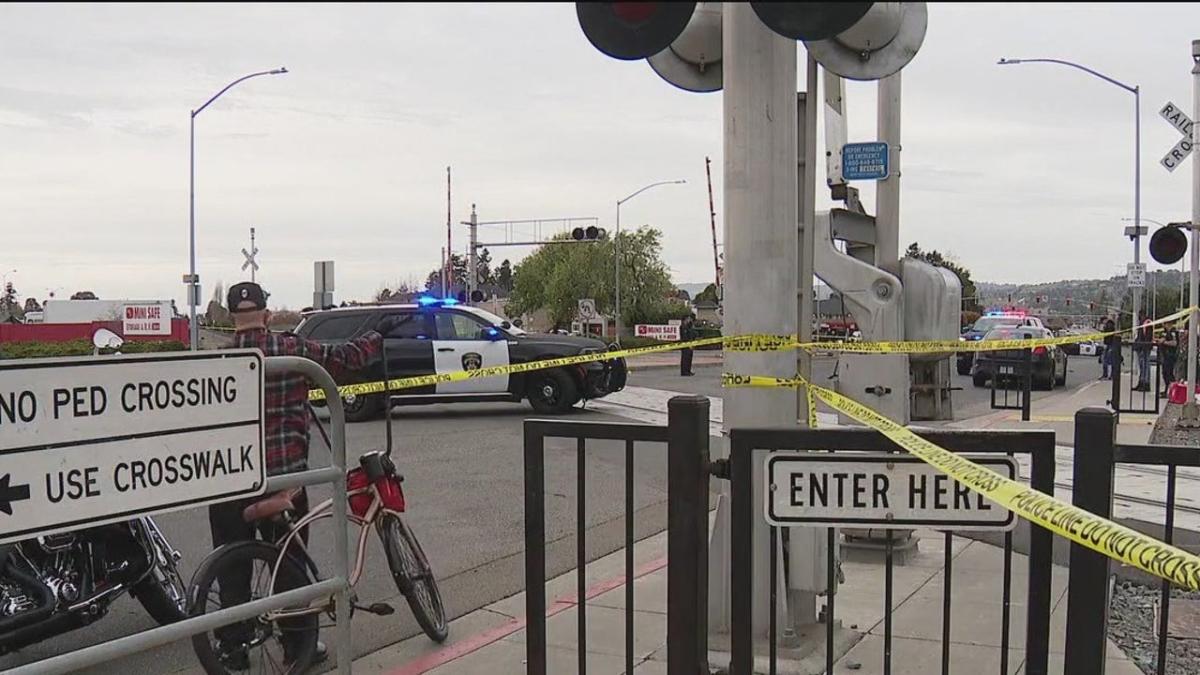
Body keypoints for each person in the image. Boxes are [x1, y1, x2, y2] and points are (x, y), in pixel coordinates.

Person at [209, 281, 392, 669]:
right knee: (288, 566)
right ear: (267, 313)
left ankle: (233, 652)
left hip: (231, 482)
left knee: (230, 571)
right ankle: (299, 648)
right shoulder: (291, 350)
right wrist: (378, 335)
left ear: (229, 317)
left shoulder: (217, 363)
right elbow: (343, 358)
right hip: (284, 484)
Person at [1133, 315, 1153, 392]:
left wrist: (1142, 346)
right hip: (1141, 347)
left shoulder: (1147, 323)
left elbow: (1146, 337)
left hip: (1144, 348)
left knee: (1145, 365)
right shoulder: (1143, 323)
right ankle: (1141, 381)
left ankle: (1145, 383)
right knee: (1142, 366)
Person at [1159, 324, 1179, 396]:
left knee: (1169, 374)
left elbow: (1175, 343)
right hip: (1165, 356)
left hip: (1170, 355)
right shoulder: (1165, 332)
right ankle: (1167, 390)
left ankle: (1174, 391)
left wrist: (1164, 342)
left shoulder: (1173, 331)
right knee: (1165, 373)